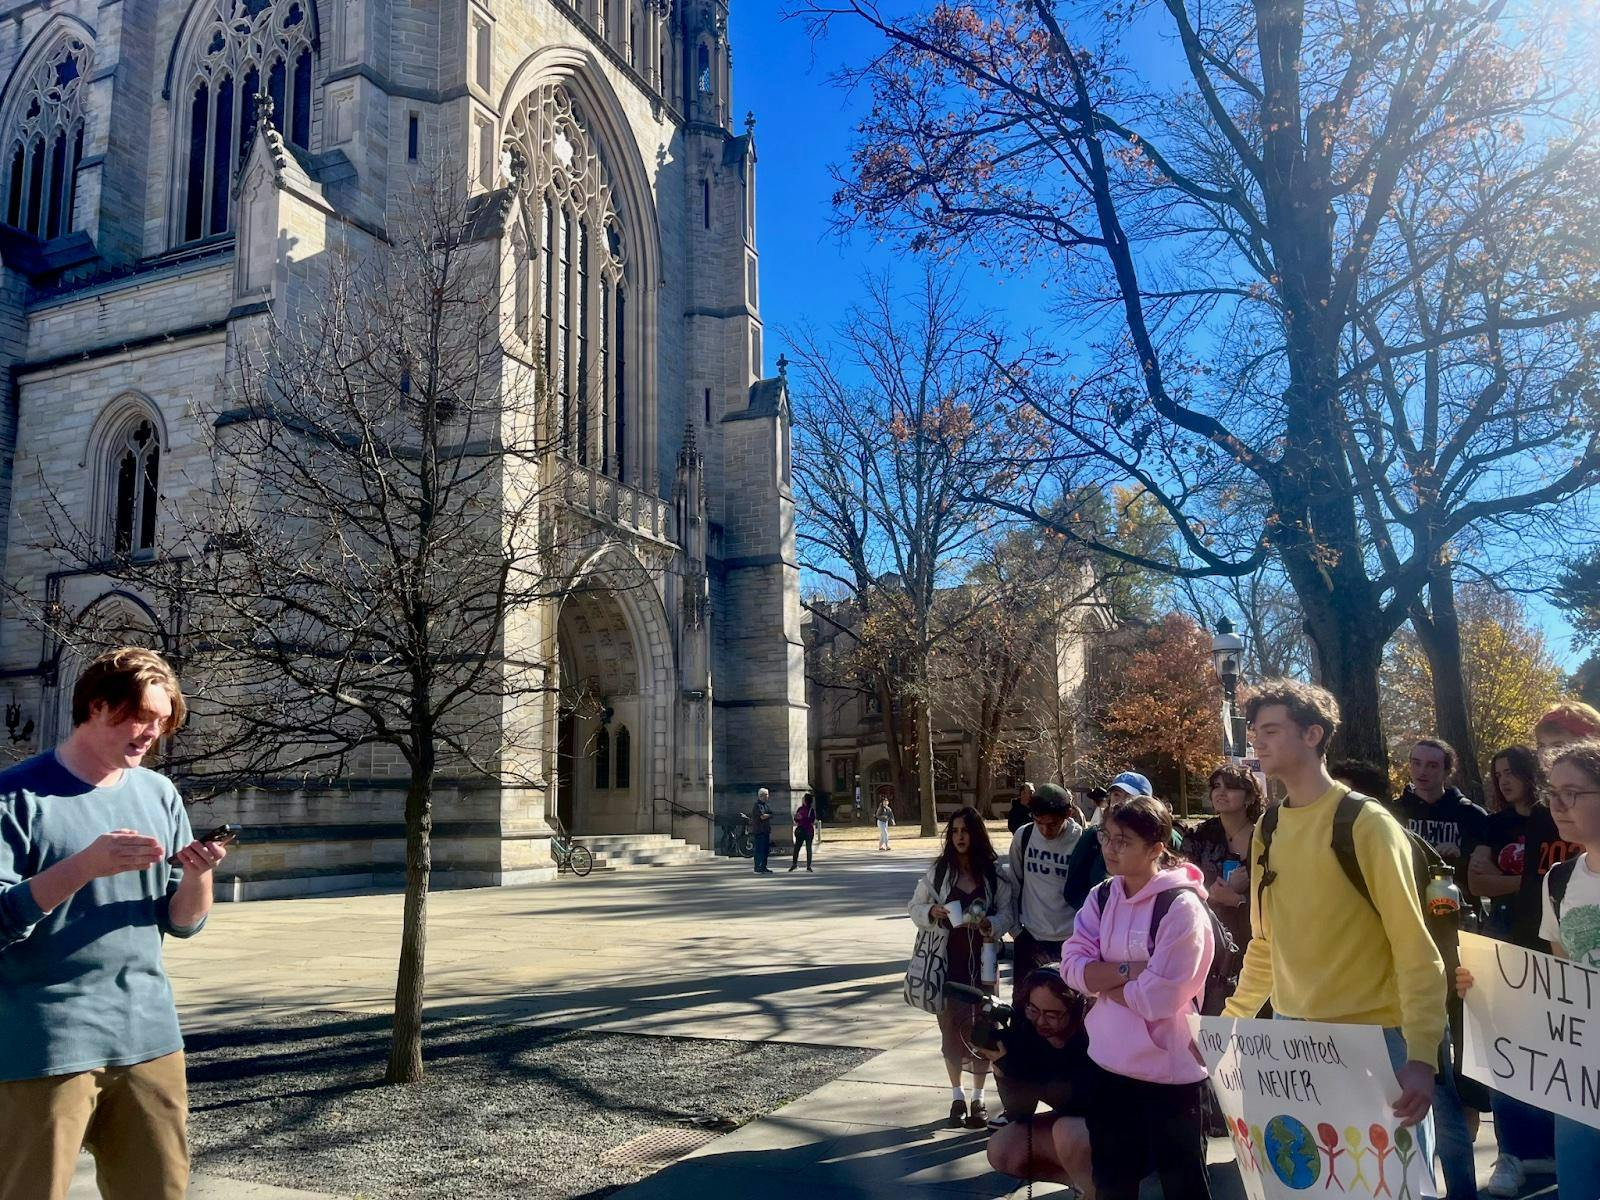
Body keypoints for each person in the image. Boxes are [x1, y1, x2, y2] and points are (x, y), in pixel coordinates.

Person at [1224, 678, 1478, 1200]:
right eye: (1254, 731)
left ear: (1313, 734)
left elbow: (1415, 948)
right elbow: (1265, 945)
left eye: (1271, 730)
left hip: (1378, 1040)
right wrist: (1229, 1023)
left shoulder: (1366, 823)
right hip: (1295, 1040)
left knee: (1393, 1188)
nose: (1258, 742)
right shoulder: (1268, 829)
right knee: (1316, 1189)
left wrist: (1422, 1058)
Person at [0, 647, 230, 1200]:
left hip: (149, 1037)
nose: (152, 733)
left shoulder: (158, 792)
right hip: (44, 1043)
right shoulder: (15, 797)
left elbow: (180, 923)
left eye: (162, 722)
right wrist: (84, 865)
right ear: (98, 707)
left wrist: (199, 876)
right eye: (142, 717)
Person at [1457, 739, 1600, 1194]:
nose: (1557, 805)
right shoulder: (1558, 881)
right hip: (1582, 1085)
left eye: (1572, 793)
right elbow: (1562, 984)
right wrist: (1488, 985)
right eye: (1552, 792)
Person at [1061, 795, 1214, 1200]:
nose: (1110, 849)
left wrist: (1102, 979)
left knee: (1184, 1186)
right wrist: (1131, 971)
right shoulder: (1102, 897)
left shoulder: (1181, 907)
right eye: (1107, 837)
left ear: (1156, 848)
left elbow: (1159, 1000)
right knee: (1112, 1183)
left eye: (1123, 841)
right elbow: (1072, 968)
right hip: (1107, 1065)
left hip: (1171, 1076)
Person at [1469, 745, 1556, 1196]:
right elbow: (1476, 881)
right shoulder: (1495, 822)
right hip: (1503, 937)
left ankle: (1552, 1149)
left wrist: (1518, 886)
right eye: (1497, 773)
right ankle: (1513, 1152)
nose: (1503, 781)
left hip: (1552, 939)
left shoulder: (1555, 814)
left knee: (1554, 1046)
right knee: (1505, 1047)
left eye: (1511, 772)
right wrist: (1531, 885)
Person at [908, 806, 1014, 1128]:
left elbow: (1009, 913)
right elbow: (914, 907)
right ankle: (957, 1097)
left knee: (984, 1028)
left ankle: (979, 1100)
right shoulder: (939, 873)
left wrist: (991, 925)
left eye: (965, 831)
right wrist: (932, 912)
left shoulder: (994, 876)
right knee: (951, 1030)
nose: (959, 837)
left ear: (976, 834)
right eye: (954, 832)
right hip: (947, 964)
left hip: (983, 963)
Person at [981, 967, 1095, 1194]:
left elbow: (1081, 1097)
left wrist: (1036, 1078)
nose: (1040, 1021)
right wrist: (1003, 1068)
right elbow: (1020, 1112)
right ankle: (1082, 1184)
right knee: (1003, 1148)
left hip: (1118, 1129)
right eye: (1033, 1009)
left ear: (1075, 1010)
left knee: (1067, 1131)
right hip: (1075, 1128)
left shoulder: (1094, 1033)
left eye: (1052, 1014)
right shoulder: (1028, 1031)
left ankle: (1099, 1190)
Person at [1006, 783, 1083, 1009]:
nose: (1046, 831)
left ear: (1067, 815)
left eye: (1053, 824)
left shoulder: (1081, 841)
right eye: (1040, 823)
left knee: (1067, 1009)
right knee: (1024, 1007)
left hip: (1069, 938)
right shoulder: (1024, 836)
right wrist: (1016, 930)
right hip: (1031, 936)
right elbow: (1013, 883)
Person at [1183, 763, 1264, 954]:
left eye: (1231, 787)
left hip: (1256, 939)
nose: (1221, 792)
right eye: (1216, 786)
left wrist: (1237, 899)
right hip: (1208, 938)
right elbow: (1183, 890)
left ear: (1250, 797)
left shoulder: (1266, 838)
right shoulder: (1197, 836)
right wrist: (1216, 895)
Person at [1392, 737, 1487, 898]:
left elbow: (1485, 869)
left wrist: (1462, 855)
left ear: (1447, 771)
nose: (1422, 771)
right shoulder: (1392, 812)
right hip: (1408, 903)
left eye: (1432, 765)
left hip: (1458, 907)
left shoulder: (1472, 815)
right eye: (1416, 763)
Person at [1063, 772, 1151, 909]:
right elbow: (1073, 890)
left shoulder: (1160, 838)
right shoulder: (1093, 837)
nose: (1120, 801)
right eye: (1116, 794)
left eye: (1129, 796)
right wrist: (1095, 915)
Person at [790, 792, 818, 872]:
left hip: (808, 830)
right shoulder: (800, 808)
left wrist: (802, 818)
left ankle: (808, 866)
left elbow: (812, 820)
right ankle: (794, 864)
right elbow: (796, 819)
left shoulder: (811, 810)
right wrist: (797, 817)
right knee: (797, 848)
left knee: (808, 848)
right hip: (801, 830)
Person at [751, 788, 774, 874]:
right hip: (759, 831)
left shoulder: (766, 805)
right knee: (759, 850)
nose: (767, 796)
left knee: (765, 850)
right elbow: (762, 816)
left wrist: (767, 815)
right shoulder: (757, 805)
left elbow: (771, 814)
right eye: (766, 795)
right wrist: (768, 815)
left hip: (766, 830)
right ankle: (757, 867)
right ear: (761, 796)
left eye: (767, 795)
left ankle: (764, 866)